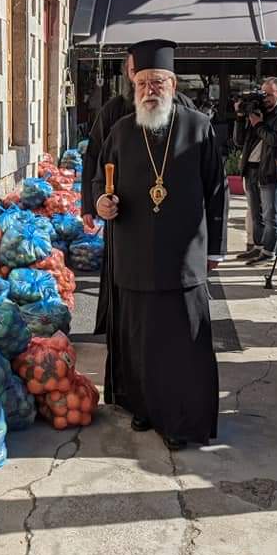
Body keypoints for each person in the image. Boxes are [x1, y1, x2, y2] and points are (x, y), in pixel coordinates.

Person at [93, 39, 227, 450]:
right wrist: (102, 204)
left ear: (173, 84)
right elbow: (100, 182)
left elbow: (217, 190)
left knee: (181, 342)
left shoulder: (199, 126)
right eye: (144, 83)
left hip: (182, 257)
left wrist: (216, 249)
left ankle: (182, 421)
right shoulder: (120, 130)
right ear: (134, 85)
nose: (150, 90)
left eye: (159, 82)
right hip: (132, 254)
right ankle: (143, 407)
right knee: (140, 338)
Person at [81, 51, 198, 336]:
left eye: (154, 76)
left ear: (170, 81)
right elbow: (94, 156)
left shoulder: (186, 112)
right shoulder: (114, 111)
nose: (144, 81)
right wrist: (92, 203)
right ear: (129, 75)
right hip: (125, 219)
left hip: (172, 221)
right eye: (137, 72)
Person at [233, 78, 277, 265]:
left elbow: (275, 140)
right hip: (251, 169)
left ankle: (269, 252)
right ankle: (257, 248)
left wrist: (258, 124)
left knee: (271, 214)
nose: (265, 98)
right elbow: (239, 141)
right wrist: (240, 117)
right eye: (263, 93)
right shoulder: (258, 113)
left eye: (269, 94)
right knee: (255, 213)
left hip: (270, 170)